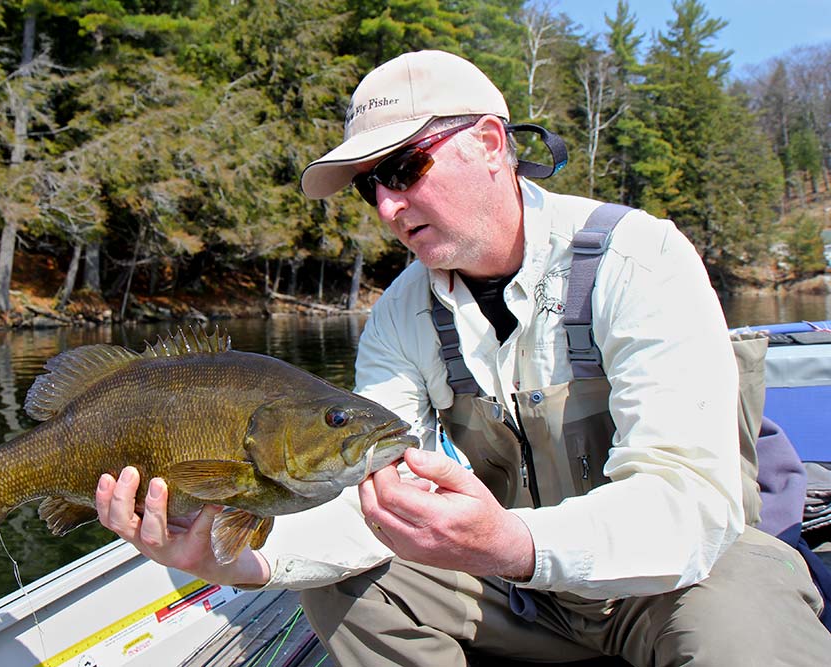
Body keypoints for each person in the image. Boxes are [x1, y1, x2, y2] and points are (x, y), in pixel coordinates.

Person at [95, 50, 830, 665]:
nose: (386, 206)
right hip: (522, 593)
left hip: (675, 581)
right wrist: (242, 561)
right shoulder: (396, 319)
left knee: (746, 616)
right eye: (368, 187)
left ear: (488, 142)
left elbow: (688, 508)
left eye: (406, 166)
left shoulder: (642, 258)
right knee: (345, 584)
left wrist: (511, 540)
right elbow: (363, 505)